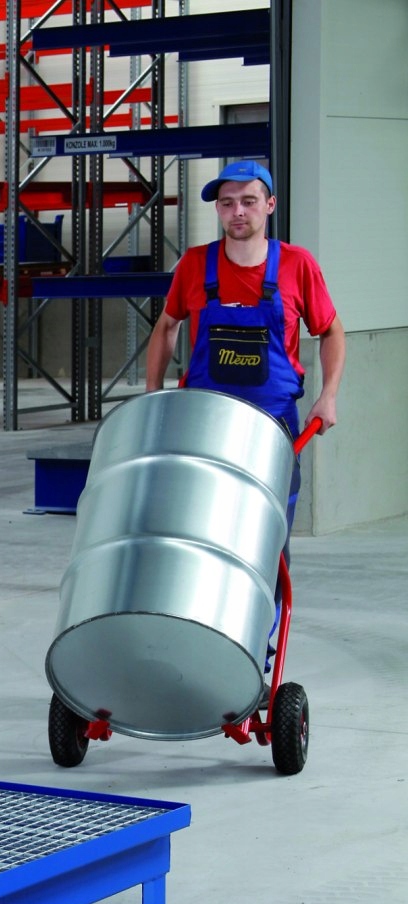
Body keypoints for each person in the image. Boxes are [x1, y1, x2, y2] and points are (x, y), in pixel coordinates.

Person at [145, 160, 345, 698]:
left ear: (270, 205)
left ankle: (255, 654)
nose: (237, 212)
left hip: (273, 431)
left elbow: (330, 331)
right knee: (196, 536)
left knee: (265, 543)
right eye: (227, 203)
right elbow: (167, 327)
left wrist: (328, 395)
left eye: (249, 201)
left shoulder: (297, 265)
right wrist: (153, 396)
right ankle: (191, 642)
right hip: (202, 427)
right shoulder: (195, 265)